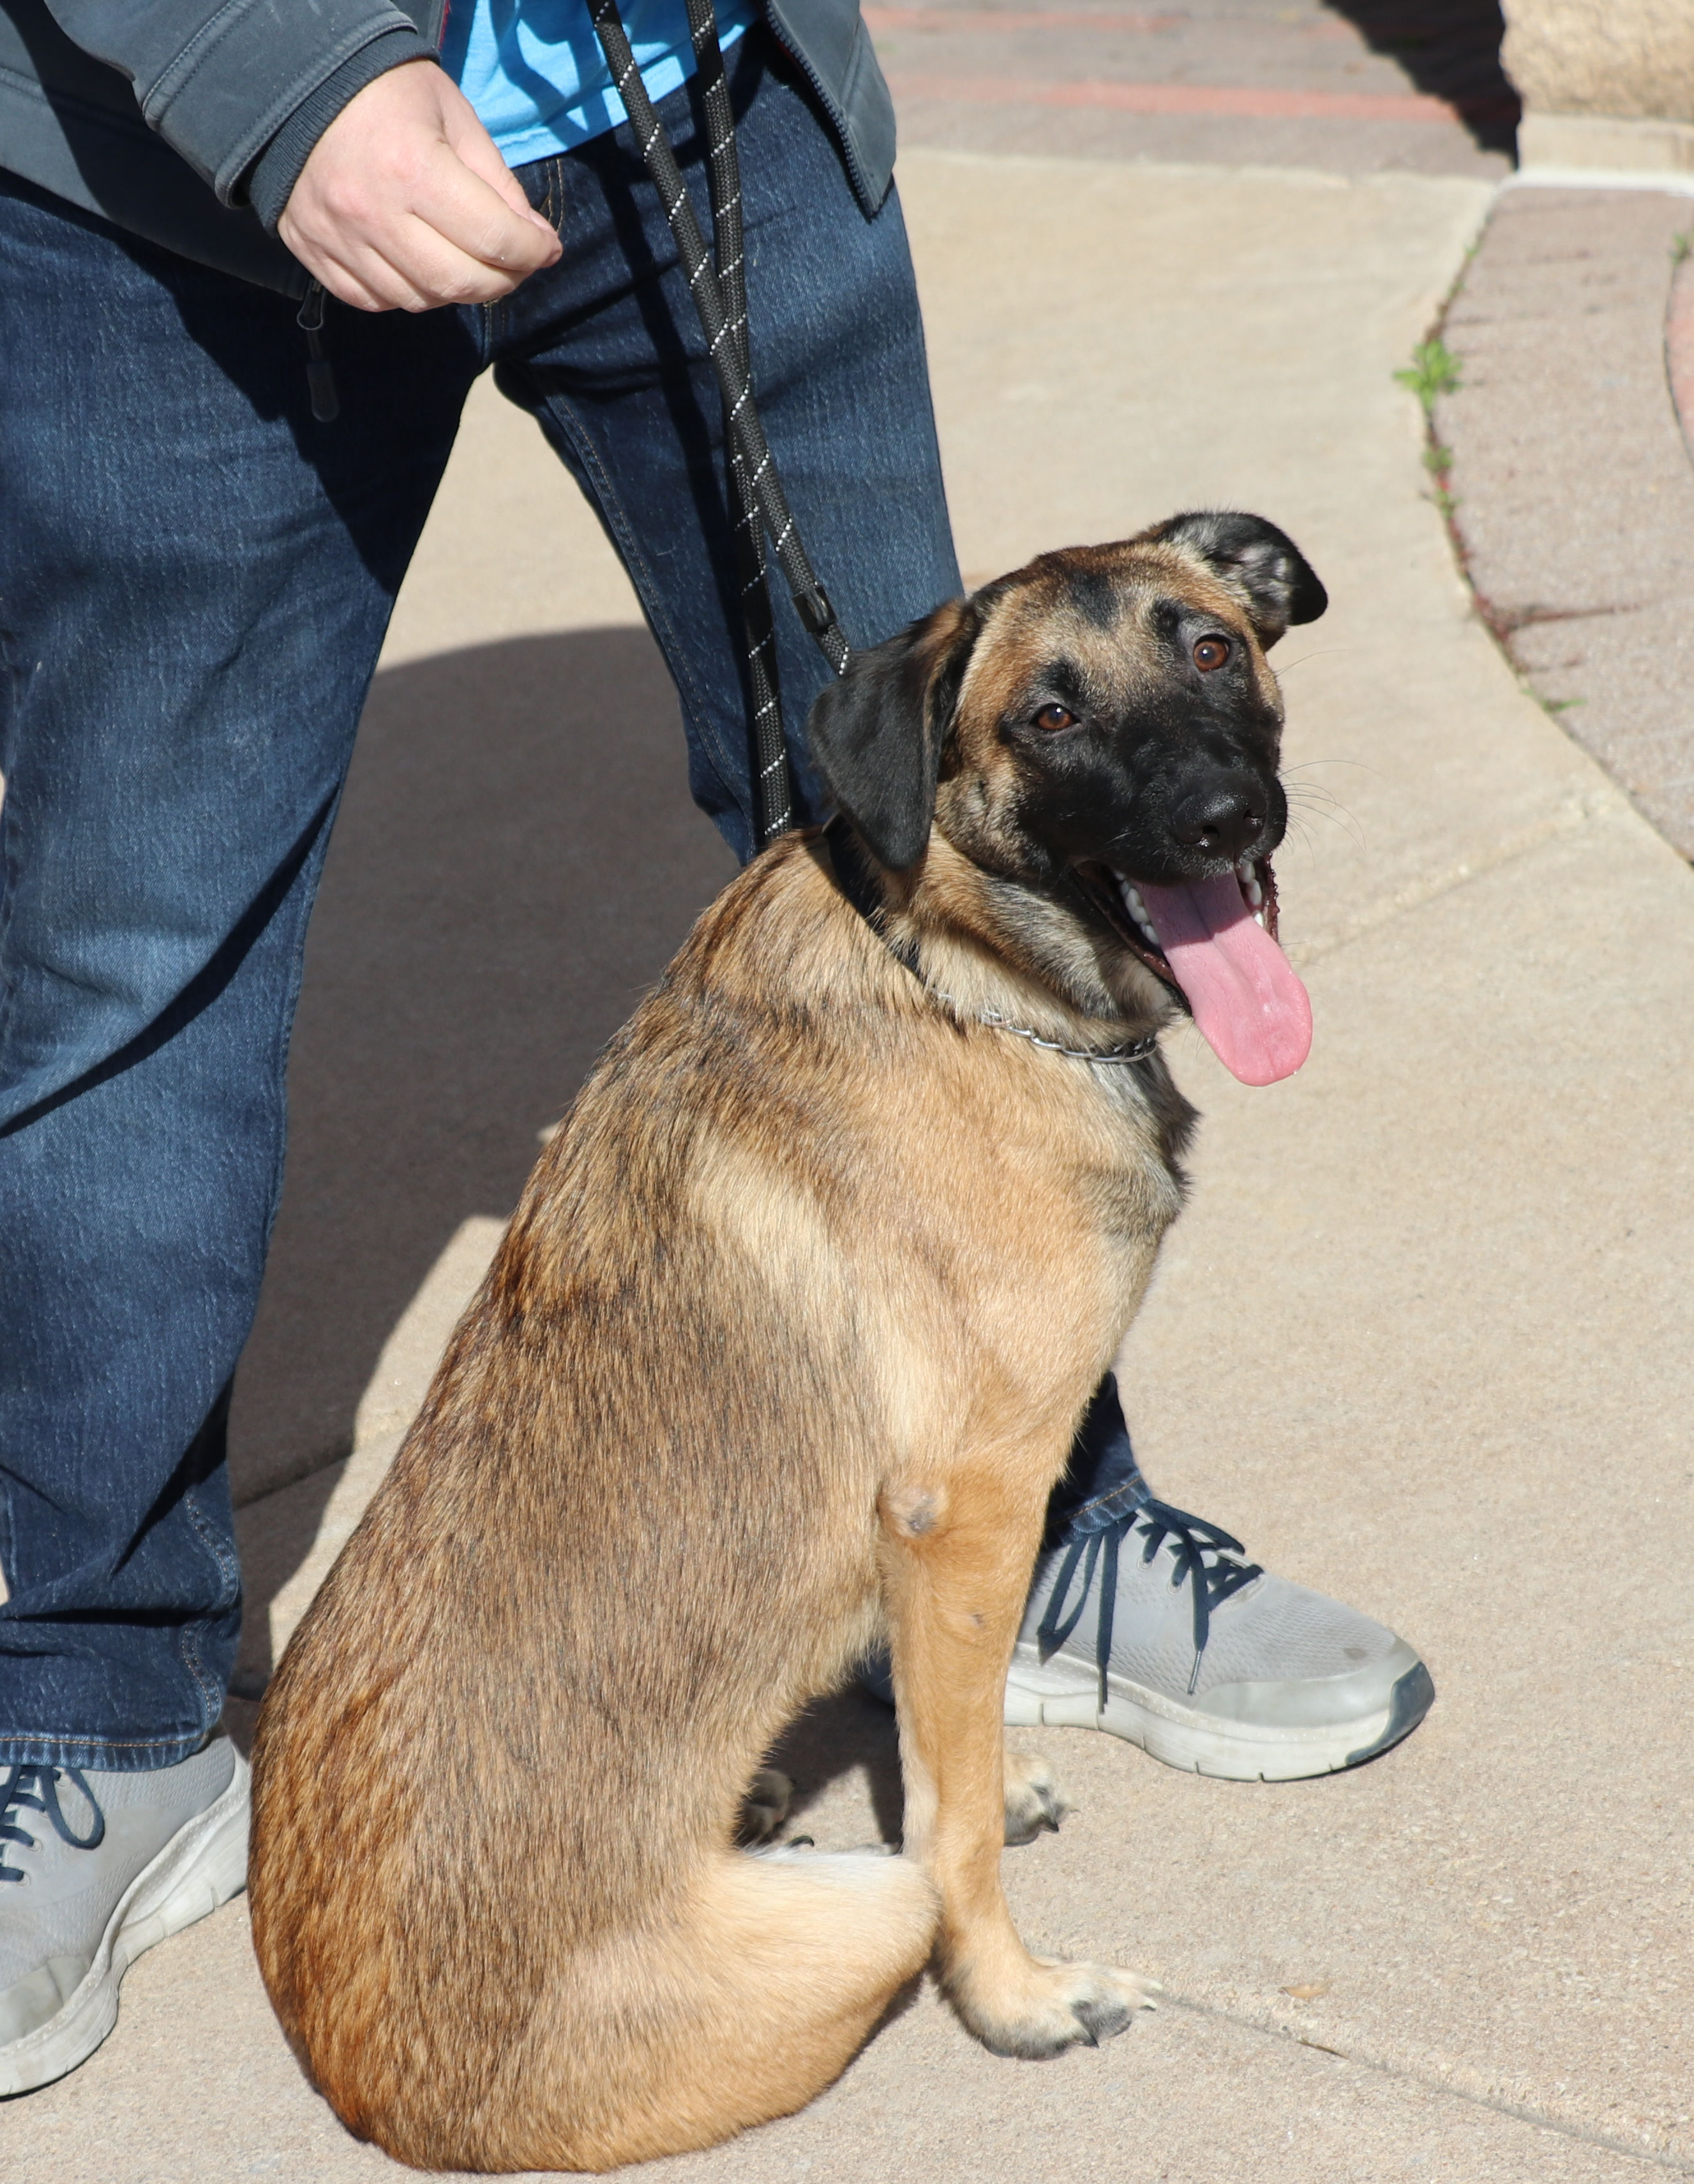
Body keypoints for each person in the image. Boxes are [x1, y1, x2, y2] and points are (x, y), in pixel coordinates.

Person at [0, 0, 1431, 2098]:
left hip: (707, 106)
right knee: (136, 955)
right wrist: (270, 64)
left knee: (955, 870)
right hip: (182, 184)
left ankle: (1039, 1532)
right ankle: (95, 1707)